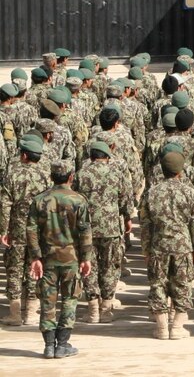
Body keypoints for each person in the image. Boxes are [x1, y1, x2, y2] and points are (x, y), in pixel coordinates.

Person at [27, 160, 92, 359]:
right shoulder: (79, 200)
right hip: (71, 258)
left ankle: (48, 345)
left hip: (47, 259)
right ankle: (62, 344)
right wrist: (86, 257)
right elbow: (85, 231)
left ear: (51, 177)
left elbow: (31, 230)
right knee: (70, 299)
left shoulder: (39, 200)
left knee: (47, 300)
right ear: (71, 177)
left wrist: (35, 257)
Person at [140, 151, 194, 339]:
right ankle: (177, 327)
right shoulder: (189, 192)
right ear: (180, 171)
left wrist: (146, 248)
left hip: (159, 245)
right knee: (182, 284)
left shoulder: (152, 192)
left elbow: (145, 224)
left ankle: (162, 328)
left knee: (158, 284)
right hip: (183, 245)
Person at [73, 137, 133, 324]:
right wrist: (127, 217)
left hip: (87, 228)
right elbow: (125, 200)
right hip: (111, 228)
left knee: (88, 265)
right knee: (110, 266)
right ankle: (106, 309)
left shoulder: (81, 174)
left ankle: (92, 310)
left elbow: (74, 200)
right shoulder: (116, 173)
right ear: (107, 156)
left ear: (91, 156)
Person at [1, 137, 51, 327]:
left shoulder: (12, 174)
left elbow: (5, 205)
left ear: (23, 155)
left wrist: (3, 230)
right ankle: (31, 311)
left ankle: (14, 312)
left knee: (14, 269)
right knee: (35, 267)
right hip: (37, 230)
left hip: (17, 229)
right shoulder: (45, 176)